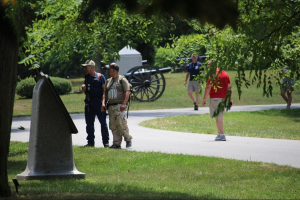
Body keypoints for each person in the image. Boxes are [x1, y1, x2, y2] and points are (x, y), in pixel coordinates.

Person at [103, 62, 132, 149]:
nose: (108, 71)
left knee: (121, 123)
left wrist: (124, 104)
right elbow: (105, 93)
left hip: (119, 106)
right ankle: (116, 143)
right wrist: (103, 103)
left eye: (109, 69)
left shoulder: (122, 79)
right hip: (110, 106)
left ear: (113, 70)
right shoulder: (108, 81)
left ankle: (128, 139)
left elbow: (127, 92)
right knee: (113, 125)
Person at [81, 60, 109, 147]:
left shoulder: (100, 77)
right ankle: (90, 142)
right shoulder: (86, 77)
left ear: (92, 67)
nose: (85, 68)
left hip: (99, 102)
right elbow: (87, 92)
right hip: (89, 103)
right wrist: (83, 89)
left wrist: (103, 103)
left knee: (103, 123)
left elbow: (105, 91)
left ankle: (106, 142)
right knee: (89, 124)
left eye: (87, 67)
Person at [201, 61, 232, 141]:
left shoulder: (212, 74)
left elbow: (208, 87)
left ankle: (221, 135)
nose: (207, 66)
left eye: (208, 65)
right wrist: (230, 99)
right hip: (224, 98)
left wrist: (204, 99)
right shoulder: (225, 73)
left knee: (218, 116)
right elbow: (229, 87)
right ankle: (219, 133)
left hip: (215, 97)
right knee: (220, 116)